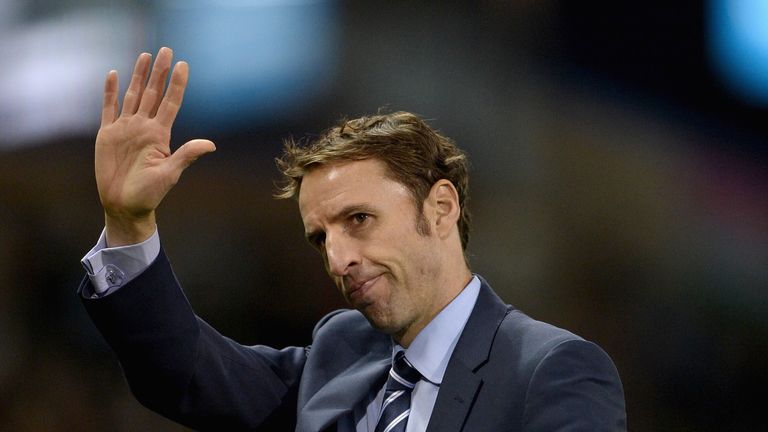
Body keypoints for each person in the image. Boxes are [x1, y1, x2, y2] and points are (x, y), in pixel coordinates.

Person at [80, 47, 626, 431]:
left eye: (358, 220)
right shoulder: (341, 354)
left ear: (440, 208)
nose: (338, 259)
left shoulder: (551, 370)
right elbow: (187, 373)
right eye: (320, 239)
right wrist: (129, 223)